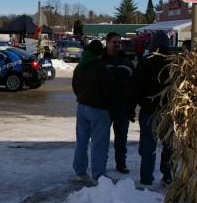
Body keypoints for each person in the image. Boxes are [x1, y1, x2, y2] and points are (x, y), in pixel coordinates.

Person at [72, 39, 118, 183]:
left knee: (81, 142)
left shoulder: (79, 67)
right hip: (98, 109)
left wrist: (82, 96)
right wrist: (109, 103)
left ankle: (80, 172)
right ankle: (98, 175)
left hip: (81, 107)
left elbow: (75, 87)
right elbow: (110, 91)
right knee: (99, 143)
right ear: (99, 53)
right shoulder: (100, 68)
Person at [132, 29, 173, 187]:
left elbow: (135, 87)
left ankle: (147, 178)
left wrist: (131, 108)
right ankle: (168, 175)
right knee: (169, 145)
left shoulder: (145, 62)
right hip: (169, 112)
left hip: (149, 111)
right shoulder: (174, 63)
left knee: (149, 146)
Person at [101, 32, 135, 174]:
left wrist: (131, 108)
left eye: (119, 42)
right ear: (107, 43)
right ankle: (100, 165)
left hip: (122, 107)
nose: (117, 45)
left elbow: (134, 87)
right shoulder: (100, 61)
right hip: (104, 108)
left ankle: (121, 164)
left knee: (121, 139)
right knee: (102, 139)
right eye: (114, 42)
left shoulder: (126, 62)